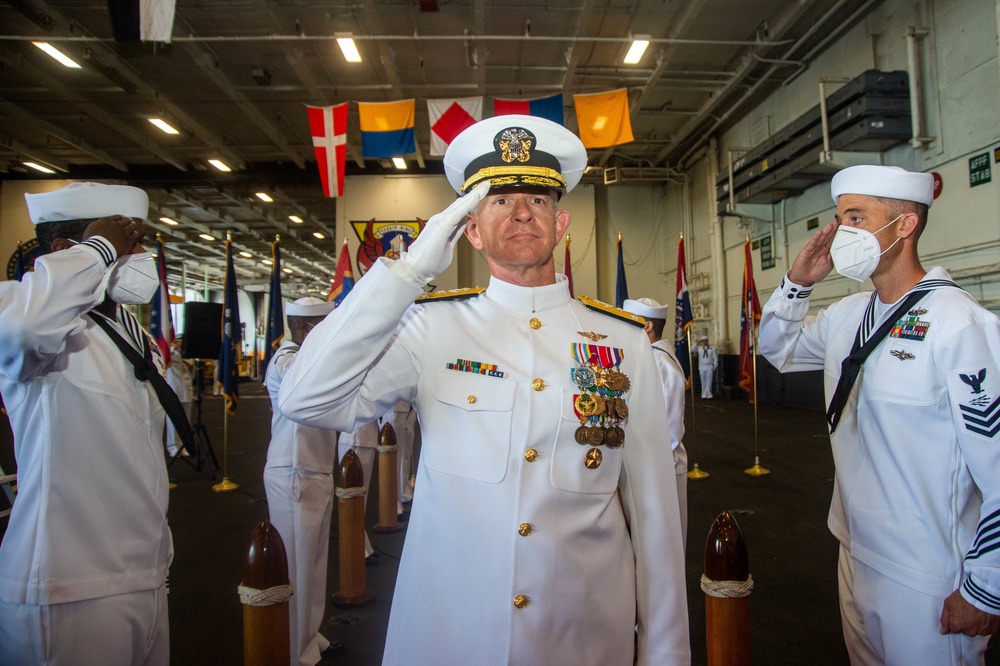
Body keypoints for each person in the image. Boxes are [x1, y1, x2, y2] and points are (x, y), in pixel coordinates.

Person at [279, 115, 689, 664]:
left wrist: (666, 655)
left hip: (583, 635)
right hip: (451, 634)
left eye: (537, 199)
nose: (521, 212)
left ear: (560, 222)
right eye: (499, 200)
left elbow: (657, 520)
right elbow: (305, 398)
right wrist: (409, 271)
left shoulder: (623, 341)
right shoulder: (429, 327)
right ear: (469, 229)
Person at [759, 164, 1000, 664]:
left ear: (904, 225)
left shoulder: (959, 324)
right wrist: (797, 284)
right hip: (855, 549)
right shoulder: (848, 315)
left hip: (926, 571)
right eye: (840, 218)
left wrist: (987, 588)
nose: (842, 231)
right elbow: (777, 349)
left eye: (856, 217)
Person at [0, 182, 172, 665]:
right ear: (65, 250)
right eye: (127, 244)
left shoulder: (127, 329)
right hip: (70, 585)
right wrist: (99, 250)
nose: (140, 257)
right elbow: (24, 330)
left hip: (142, 571)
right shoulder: (23, 311)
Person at [262, 297, 345, 666]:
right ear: (305, 328)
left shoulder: (306, 356)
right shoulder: (287, 360)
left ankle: (309, 636)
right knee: (296, 566)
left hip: (314, 468)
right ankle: (296, 651)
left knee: (314, 563)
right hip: (294, 471)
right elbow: (306, 378)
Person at [623, 297, 689, 549]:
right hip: (653, 466)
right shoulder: (653, 358)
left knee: (662, 544)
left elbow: (667, 432)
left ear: (647, 326)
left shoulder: (659, 364)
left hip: (660, 470)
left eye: (629, 322)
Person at [336, 419, 381, 565]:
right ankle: (357, 550)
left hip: (365, 436)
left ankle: (361, 547)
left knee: (360, 502)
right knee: (356, 501)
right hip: (356, 437)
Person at [165, 335, 194, 456]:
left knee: (185, 422)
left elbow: (192, 374)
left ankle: (182, 446)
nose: (182, 345)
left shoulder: (189, 359)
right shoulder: (170, 357)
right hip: (175, 391)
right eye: (180, 342)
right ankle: (173, 447)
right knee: (173, 421)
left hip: (186, 391)